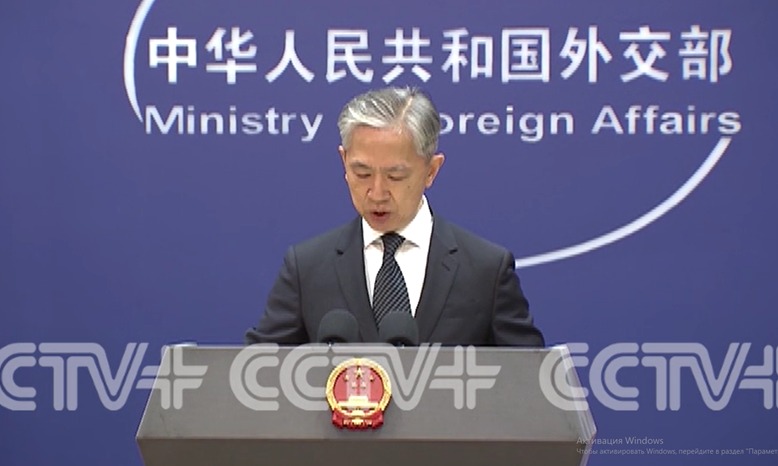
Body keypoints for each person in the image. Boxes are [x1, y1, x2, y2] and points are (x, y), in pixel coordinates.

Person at [245, 87, 544, 347]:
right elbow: (254, 372)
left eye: (395, 176)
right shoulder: (307, 268)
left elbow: (528, 380)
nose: (377, 192)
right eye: (362, 173)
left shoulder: (485, 270)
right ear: (343, 161)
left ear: (431, 170)